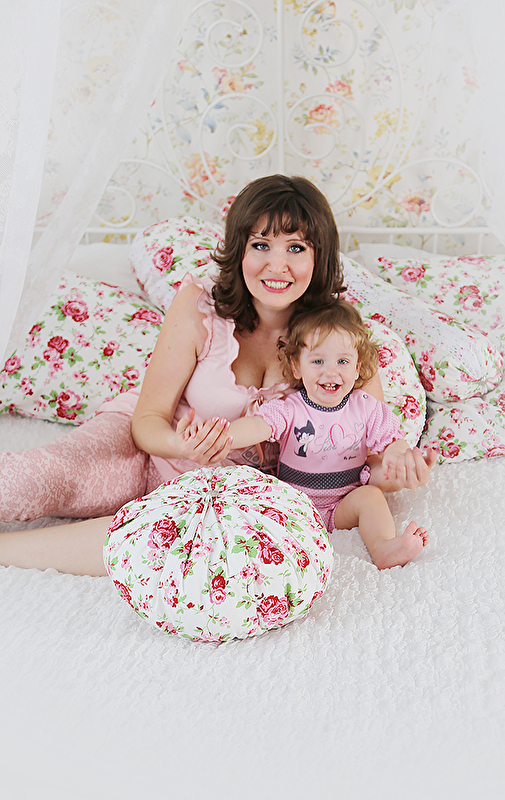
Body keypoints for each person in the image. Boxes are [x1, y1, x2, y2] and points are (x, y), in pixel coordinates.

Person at [0, 175, 435, 576]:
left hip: (218, 495)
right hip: (144, 451)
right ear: (238, 249)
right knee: (28, 481)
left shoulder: (338, 339)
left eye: (296, 248)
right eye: (261, 245)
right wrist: (182, 445)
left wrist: (398, 469)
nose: (277, 265)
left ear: (319, 256)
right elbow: (148, 419)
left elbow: (366, 457)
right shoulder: (199, 306)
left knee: (162, 547)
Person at [184, 299, 431, 570]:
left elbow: (393, 441)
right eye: (317, 361)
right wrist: (221, 434)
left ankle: (383, 547)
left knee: (371, 496)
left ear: (357, 367)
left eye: (343, 361)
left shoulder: (366, 407)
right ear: (297, 367)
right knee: (252, 504)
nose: (331, 371)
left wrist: (401, 458)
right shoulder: (290, 408)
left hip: (342, 504)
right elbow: (256, 426)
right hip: (293, 504)